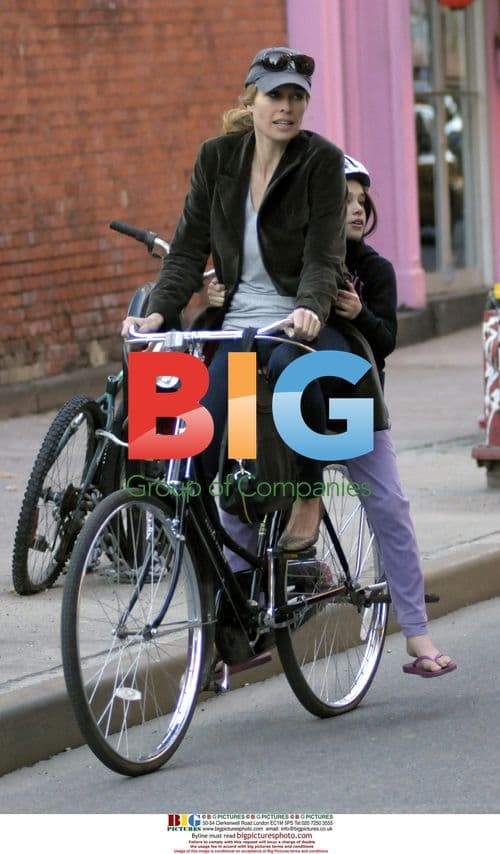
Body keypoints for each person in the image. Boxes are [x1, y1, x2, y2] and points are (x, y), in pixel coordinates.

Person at [122, 46, 386, 555]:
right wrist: (158, 311)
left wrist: (310, 305)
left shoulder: (321, 162)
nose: (286, 107)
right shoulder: (217, 159)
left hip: (299, 325)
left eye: (296, 97)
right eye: (275, 96)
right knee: (197, 434)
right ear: (253, 99)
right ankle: (220, 587)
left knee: (292, 370)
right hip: (238, 329)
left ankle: (308, 495)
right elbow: (185, 251)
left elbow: (323, 256)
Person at [206, 154, 457, 678]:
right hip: (273, 399)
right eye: (345, 199)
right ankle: (233, 629)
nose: (357, 208)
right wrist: (215, 304)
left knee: (388, 504)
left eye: (363, 199)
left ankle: (417, 633)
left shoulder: (373, 271)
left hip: (350, 401)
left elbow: (384, 342)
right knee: (237, 496)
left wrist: (357, 313)